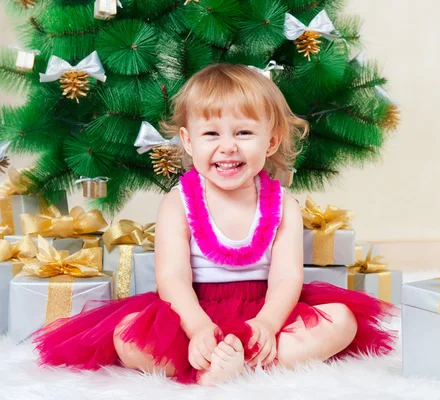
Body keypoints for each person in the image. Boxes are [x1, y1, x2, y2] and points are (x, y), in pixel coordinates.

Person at [33, 63, 398, 386]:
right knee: (128, 336)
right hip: (194, 309)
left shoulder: (283, 203)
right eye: (211, 134)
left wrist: (269, 324)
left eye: (243, 133)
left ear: (270, 141)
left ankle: (251, 361)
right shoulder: (179, 202)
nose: (227, 147)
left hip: (265, 308)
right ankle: (211, 363)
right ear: (188, 142)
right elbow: (172, 278)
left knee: (342, 321)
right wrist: (197, 328)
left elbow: (287, 277)